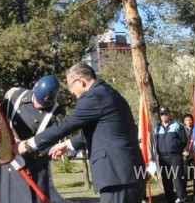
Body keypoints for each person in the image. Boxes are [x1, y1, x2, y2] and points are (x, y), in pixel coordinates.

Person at [16, 63, 145, 203]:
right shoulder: (109, 93)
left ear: (80, 81)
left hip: (117, 176)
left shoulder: (93, 96)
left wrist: (28, 144)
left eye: (71, 86)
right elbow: (104, 131)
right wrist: (68, 144)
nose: (71, 91)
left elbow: (66, 125)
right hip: (132, 173)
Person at [0, 75, 66, 203]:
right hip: (9, 161)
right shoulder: (16, 95)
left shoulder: (57, 112)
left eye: (43, 105)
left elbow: (52, 145)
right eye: (37, 102)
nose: (39, 106)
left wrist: (26, 156)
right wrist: (8, 138)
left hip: (35, 166)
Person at [154, 108, 188, 203]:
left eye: (165, 114)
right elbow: (155, 142)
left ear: (169, 115)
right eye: (161, 114)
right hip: (163, 158)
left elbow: (184, 140)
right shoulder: (157, 127)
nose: (163, 116)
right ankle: (170, 200)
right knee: (166, 181)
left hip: (175, 157)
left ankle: (183, 199)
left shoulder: (177, 125)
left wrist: (177, 149)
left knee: (178, 179)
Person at [182, 114, 195, 196]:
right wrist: (183, 151)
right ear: (184, 121)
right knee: (185, 175)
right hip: (185, 155)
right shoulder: (181, 130)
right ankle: (183, 195)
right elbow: (178, 142)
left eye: (190, 119)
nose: (189, 121)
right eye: (187, 120)